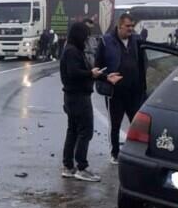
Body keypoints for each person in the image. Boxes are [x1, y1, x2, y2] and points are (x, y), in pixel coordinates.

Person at [61, 22, 121, 182]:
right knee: (85, 132)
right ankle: (82, 167)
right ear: (79, 35)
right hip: (78, 98)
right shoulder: (72, 52)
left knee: (73, 131)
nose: (87, 39)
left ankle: (68, 166)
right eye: (85, 36)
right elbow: (75, 73)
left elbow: (86, 73)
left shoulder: (71, 49)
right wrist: (91, 74)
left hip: (72, 97)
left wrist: (105, 77)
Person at [95, 13, 147, 164]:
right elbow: (97, 66)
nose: (131, 29)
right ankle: (115, 153)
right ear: (119, 26)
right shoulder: (106, 41)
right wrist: (106, 77)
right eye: (128, 26)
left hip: (134, 91)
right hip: (115, 92)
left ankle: (137, 152)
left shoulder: (137, 40)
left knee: (137, 123)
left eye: (132, 26)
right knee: (115, 124)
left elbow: (144, 62)